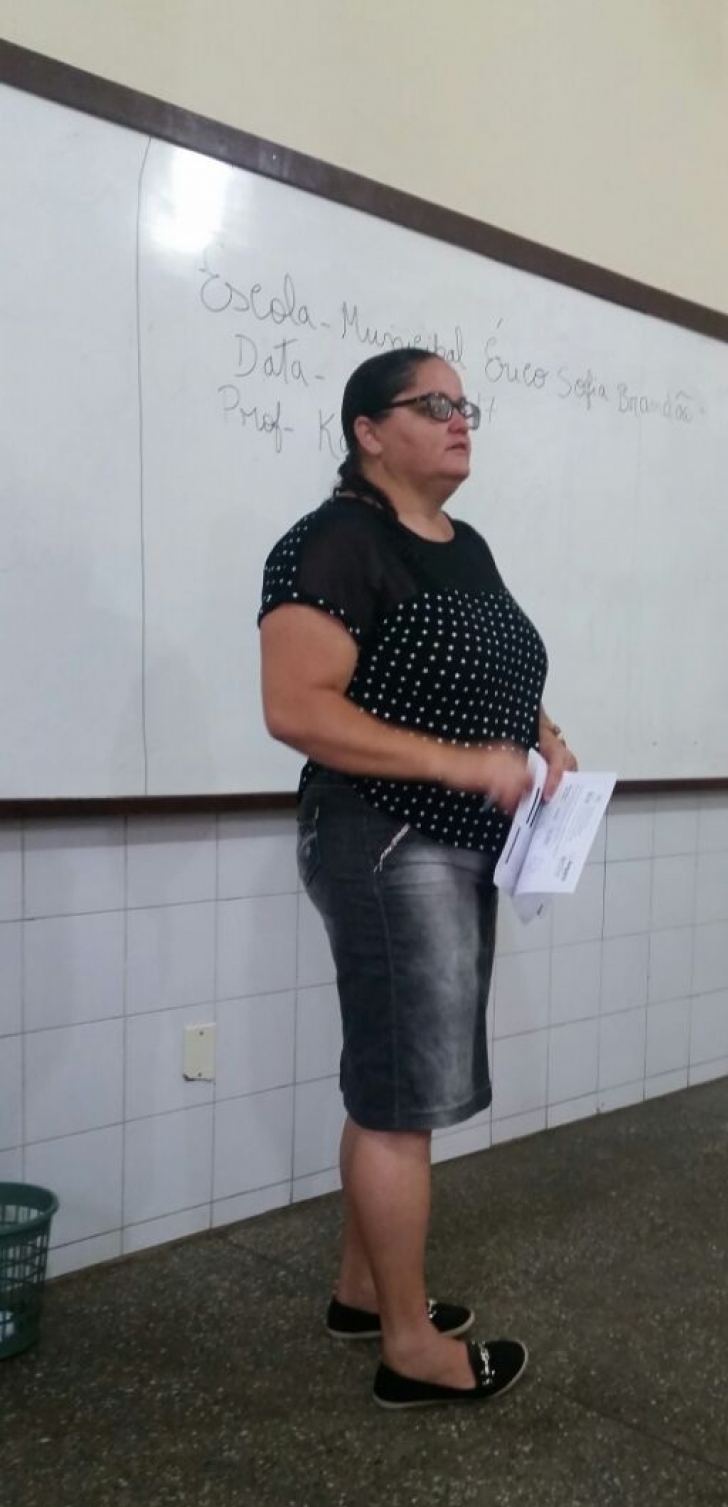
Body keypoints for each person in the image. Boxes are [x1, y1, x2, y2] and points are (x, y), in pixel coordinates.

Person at [258, 347, 577, 1410]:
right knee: (404, 1101)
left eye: (463, 403)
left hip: (452, 844)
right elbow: (297, 707)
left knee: (393, 1084)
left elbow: (493, 666)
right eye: (432, 404)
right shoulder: (334, 542)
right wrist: (462, 763)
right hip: (387, 839)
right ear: (368, 431)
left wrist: (541, 735)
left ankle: (363, 1291)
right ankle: (410, 1350)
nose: (458, 419)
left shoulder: (462, 543)